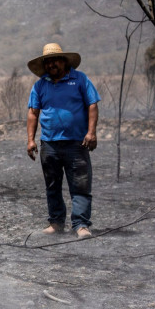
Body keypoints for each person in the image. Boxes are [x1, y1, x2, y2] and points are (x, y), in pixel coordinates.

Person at [26, 43, 100, 239]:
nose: (51, 64)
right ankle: (56, 223)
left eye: (55, 60)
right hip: (49, 144)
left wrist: (91, 132)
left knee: (80, 185)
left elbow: (92, 105)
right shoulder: (40, 85)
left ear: (64, 61)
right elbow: (33, 113)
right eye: (47, 62)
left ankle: (81, 225)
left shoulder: (80, 79)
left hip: (77, 143)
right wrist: (30, 140)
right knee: (52, 185)